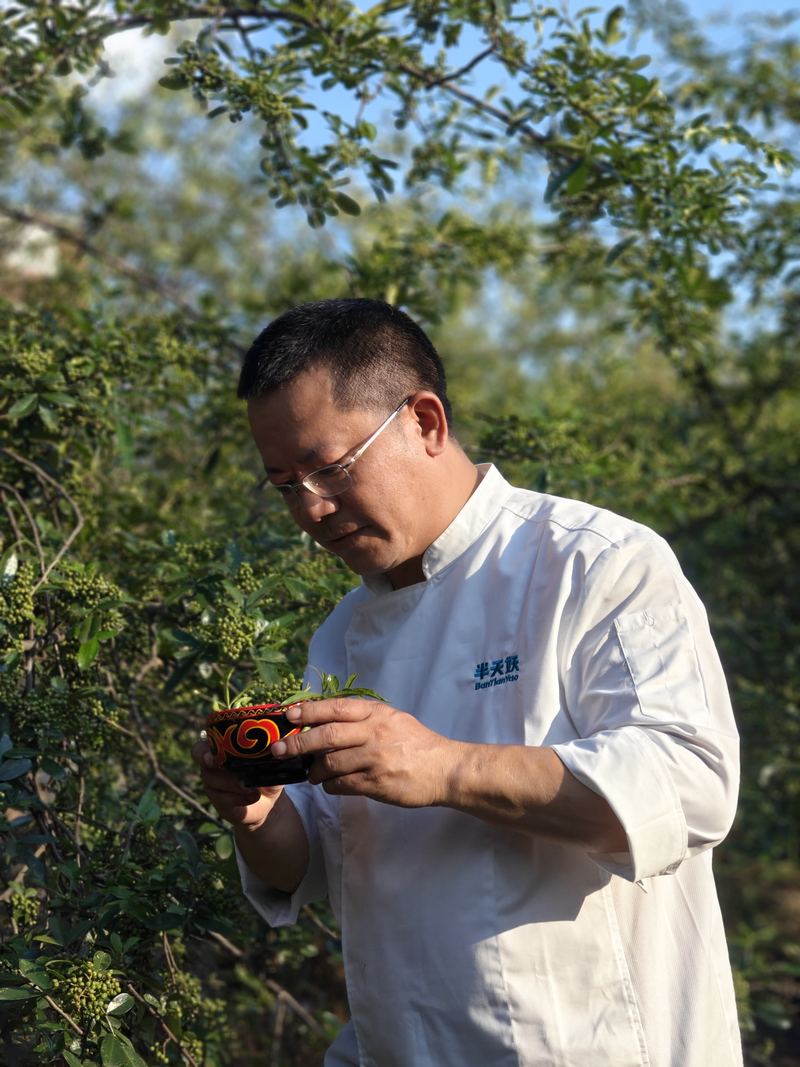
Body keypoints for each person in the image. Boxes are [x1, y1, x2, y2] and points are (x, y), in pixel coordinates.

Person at [193, 298, 742, 1066]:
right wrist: (257, 815)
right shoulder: (341, 632)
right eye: (284, 483)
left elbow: (693, 784)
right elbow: (316, 864)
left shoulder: (594, 563)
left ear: (425, 422)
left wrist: (445, 766)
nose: (310, 508)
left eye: (330, 467)